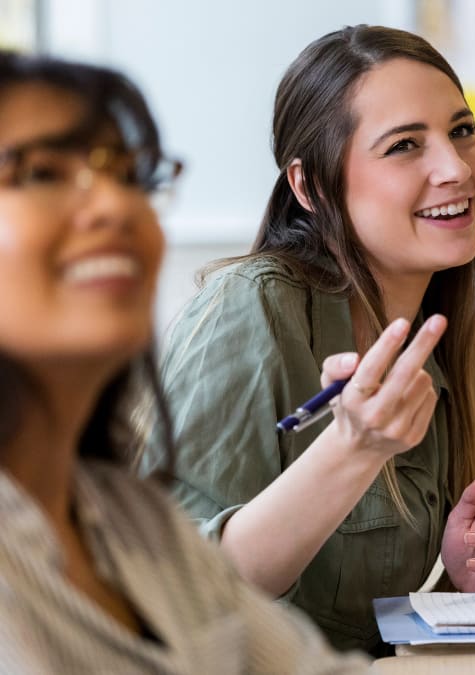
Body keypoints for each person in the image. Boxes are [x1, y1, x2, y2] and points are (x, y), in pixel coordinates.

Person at [155, 26, 475, 654]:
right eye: (405, 145)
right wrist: (351, 452)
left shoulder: (456, 342)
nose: (455, 169)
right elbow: (175, 584)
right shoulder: (250, 311)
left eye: (463, 130)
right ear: (310, 187)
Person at [0, 52, 366, 672]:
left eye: (129, 175)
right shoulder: (253, 301)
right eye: (40, 174)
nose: (115, 206)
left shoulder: (133, 521)